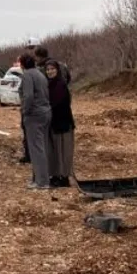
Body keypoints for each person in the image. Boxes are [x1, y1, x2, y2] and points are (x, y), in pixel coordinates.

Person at [19, 53, 52, 189]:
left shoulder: (27, 75)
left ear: (22, 64)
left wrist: (24, 111)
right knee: (41, 147)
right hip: (45, 113)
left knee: (36, 149)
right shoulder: (40, 74)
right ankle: (37, 178)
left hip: (34, 115)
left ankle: (42, 181)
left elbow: (28, 96)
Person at [46, 60, 75, 188]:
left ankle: (64, 177)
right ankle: (56, 175)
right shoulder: (49, 84)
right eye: (47, 70)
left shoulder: (61, 84)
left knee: (64, 150)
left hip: (63, 123)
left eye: (52, 69)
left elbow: (59, 104)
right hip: (53, 123)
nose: (50, 72)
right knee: (55, 151)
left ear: (57, 70)